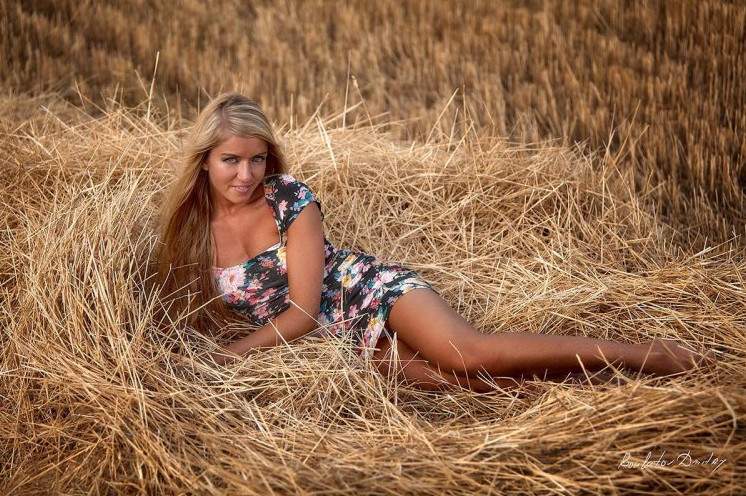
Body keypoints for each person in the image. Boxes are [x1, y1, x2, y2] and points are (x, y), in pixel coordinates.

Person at [156, 92, 714, 394]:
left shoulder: (288, 197)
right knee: (471, 386)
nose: (246, 174)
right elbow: (197, 311)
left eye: (257, 159)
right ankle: (602, 390)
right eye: (231, 160)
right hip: (337, 341)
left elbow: (302, 309)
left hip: (365, 293)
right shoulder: (192, 231)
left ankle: (646, 356)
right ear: (204, 160)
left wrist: (230, 356)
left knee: (467, 353)